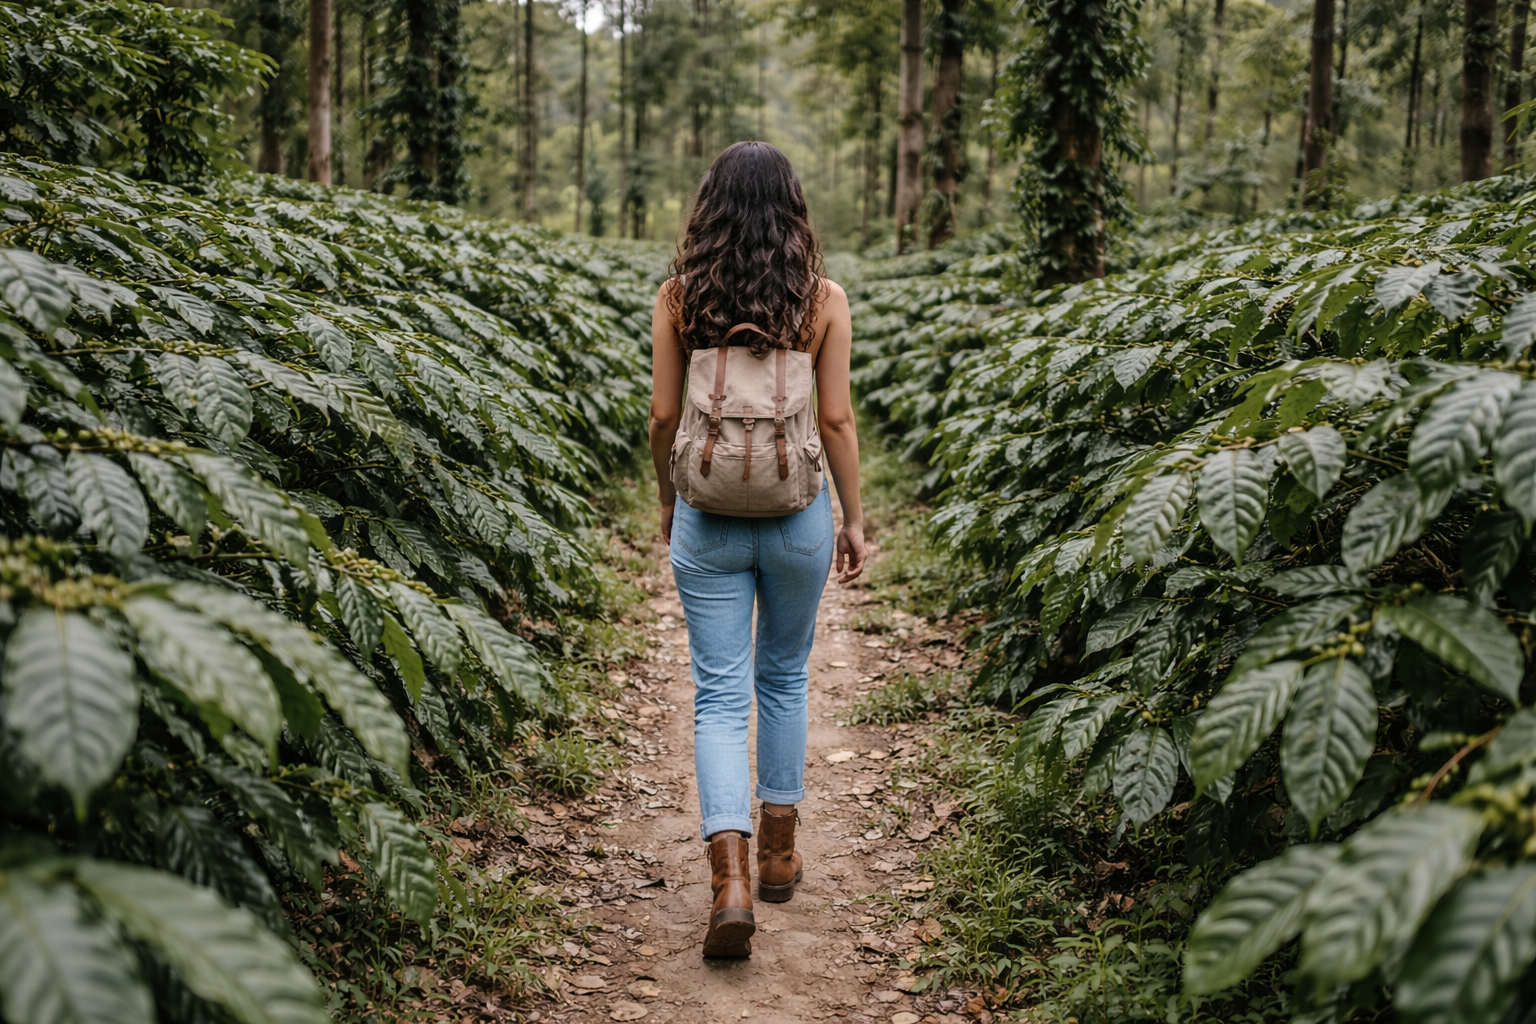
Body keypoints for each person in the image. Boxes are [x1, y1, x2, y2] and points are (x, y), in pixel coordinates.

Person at [647, 141, 866, 959]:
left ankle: (729, 882)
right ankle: (778, 856)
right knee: (781, 676)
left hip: (706, 513)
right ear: (792, 209)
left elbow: (663, 418)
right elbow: (838, 421)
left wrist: (668, 501)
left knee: (718, 695)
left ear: (709, 208)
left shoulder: (679, 297)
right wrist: (852, 519)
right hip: (796, 515)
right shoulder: (822, 300)